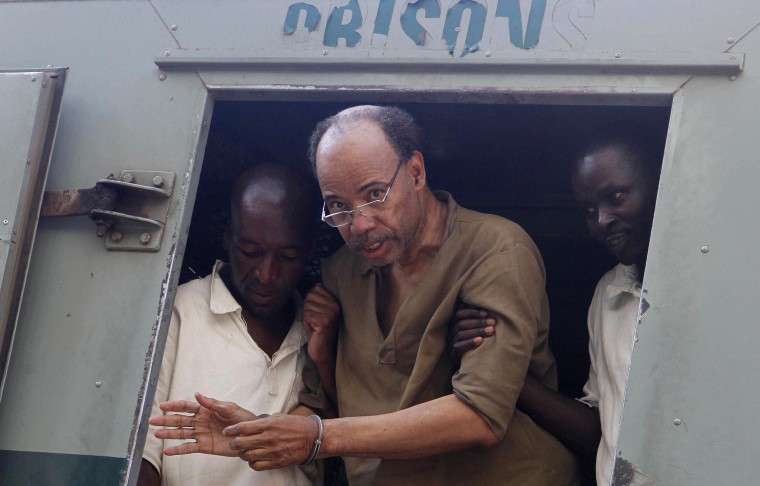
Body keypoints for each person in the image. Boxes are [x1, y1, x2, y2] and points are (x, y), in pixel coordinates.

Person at [151, 105, 579, 485]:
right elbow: (319, 407)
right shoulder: (341, 272)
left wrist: (316, 439)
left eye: (375, 195)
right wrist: (259, 434)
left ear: (416, 172)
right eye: (337, 205)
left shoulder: (496, 250)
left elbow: (480, 416)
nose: (359, 225)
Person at [453, 122, 663, 485]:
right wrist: (503, 371)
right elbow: (603, 433)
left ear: (661, 182)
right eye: (587, 210)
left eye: (616, 197)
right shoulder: (609, 292)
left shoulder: (713, 286)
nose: (602, 221)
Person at [138, 163, 325, 486]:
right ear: (228, 238)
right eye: (251, 251)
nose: (267, 274)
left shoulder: (321, 326)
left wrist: (326, 349)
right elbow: (143, 452)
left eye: (288, 257)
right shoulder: (179, 311)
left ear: (309, 251)